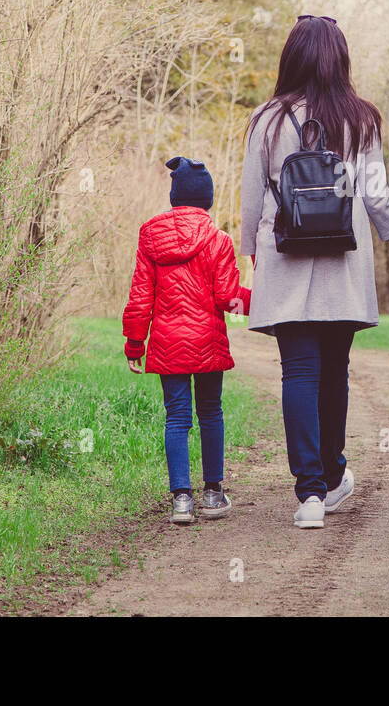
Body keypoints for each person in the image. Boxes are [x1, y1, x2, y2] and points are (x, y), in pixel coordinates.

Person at [240, 14, 389, 530]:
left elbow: (251, 197)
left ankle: (312, 493)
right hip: (343, 263)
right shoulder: (359, 118)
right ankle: (333, 473)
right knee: (335, 372)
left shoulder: (266, 119)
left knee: (298, 370)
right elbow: (377, 197)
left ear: (291, 57)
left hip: (285, 257)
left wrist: (251, 250)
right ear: (340, 59)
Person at [122, 157, 251, 525]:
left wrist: (135, 343)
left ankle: (181, 500)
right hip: (207, 341)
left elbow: (140, 296)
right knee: (210, 412)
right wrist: (262, 302)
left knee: (176, 417)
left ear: (174, 197)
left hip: (166, 343)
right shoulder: (219, 239)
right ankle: (213, 494)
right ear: (207, 200)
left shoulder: (150, 236)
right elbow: (229, 298)